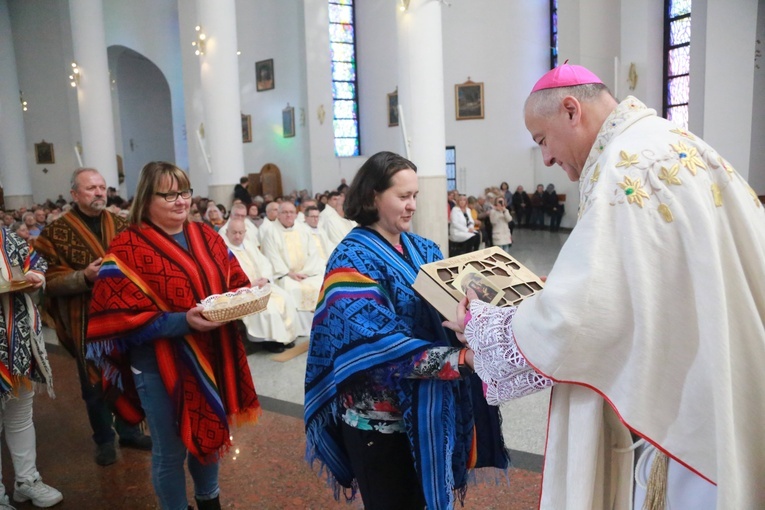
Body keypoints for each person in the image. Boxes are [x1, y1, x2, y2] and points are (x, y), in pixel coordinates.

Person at [444, 63, 765, 509]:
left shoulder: (623, 166)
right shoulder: (676, 142)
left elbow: (579, 320)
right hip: (733, 372)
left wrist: (483, 324)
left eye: (542, 140)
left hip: (688, 415)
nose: (549, 159)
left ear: (571, 110)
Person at [304, 151, 509, 510]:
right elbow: (377, 346)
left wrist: (475, 323)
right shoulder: (350, 260)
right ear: (371, 197)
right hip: (380, 424)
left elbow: (451, 310)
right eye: (403, 196)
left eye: (415, 195)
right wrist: (461, 358)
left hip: (430, 412)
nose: (413, 205)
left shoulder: (424, 248)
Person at [85, 161, 261, 510]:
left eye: (185, 192)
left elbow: (233, 281)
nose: (181, 201)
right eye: (169, 194)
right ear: (147, 198)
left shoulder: (206, 235)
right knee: (170, 450)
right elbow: (118, 318)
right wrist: (184, 321)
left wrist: (248, 293)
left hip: (211, 356)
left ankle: (209, 502)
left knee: (210, 436)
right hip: (158, 365)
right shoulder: (127, 248)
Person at [34, 168, 151, 467]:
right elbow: (45, 279)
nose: (99, 192)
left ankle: (129, 430)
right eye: (90, 188)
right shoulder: (55, 233)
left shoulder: (123, 224)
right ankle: (103, 440)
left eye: (102, 187)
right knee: (94, 383)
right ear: (75, 194)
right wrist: (83, 277)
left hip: (123, 316)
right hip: (84, 318)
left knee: (126, 374)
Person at [0, 227, 63, 509]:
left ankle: (27, 481)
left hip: (19, 340)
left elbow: (33, 261)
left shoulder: (7, 235)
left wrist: (35, 276)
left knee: (21, 415)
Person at [223, 218, 301, 353]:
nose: (237, 236)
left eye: (241, 233)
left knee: (285, 298)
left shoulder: (248, 244)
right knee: (268, 308)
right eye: (234, 233)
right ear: (227, 232)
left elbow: (264, 262)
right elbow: (227, 278)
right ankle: (270, 341)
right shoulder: (224, 251)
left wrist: (265, 277)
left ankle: (286, 337)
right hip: (244, 291)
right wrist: (250, 284)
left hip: (260, 286)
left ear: (245, 232)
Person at [260, 202, 324, 317]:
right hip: (285, 276)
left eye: (291, 212)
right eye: (284, 212)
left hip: (306, 273)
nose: (288, 215)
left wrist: (305, 272)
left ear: (296, 214)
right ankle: (302, 328)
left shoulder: (304, 229)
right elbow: (272, 257)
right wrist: (289, 273)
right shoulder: (271, 232)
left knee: (320, 285)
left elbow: (313, 253)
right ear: (278, 215)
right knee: (292, 289)